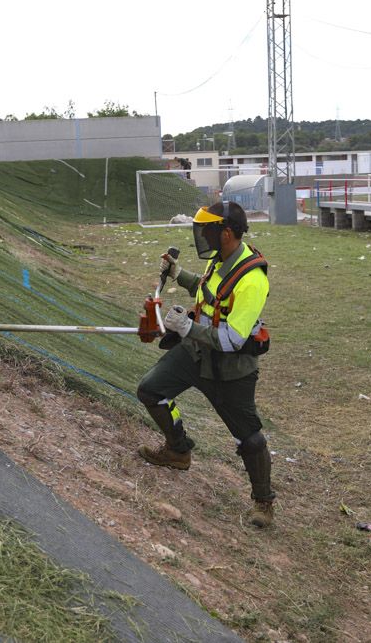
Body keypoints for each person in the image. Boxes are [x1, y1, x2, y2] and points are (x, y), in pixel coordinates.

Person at [136, 201, 275, 528]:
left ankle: (264, 502)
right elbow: (208, 291)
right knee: (151, 391)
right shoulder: (222, 259)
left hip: (230, 370)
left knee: (249, 439)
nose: (202, 237)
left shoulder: (252, 280)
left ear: (226, 233)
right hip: (197, 352)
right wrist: (178, 275)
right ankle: (178, 450)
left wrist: (186, 328)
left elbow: (232, 341)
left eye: (207, 231)